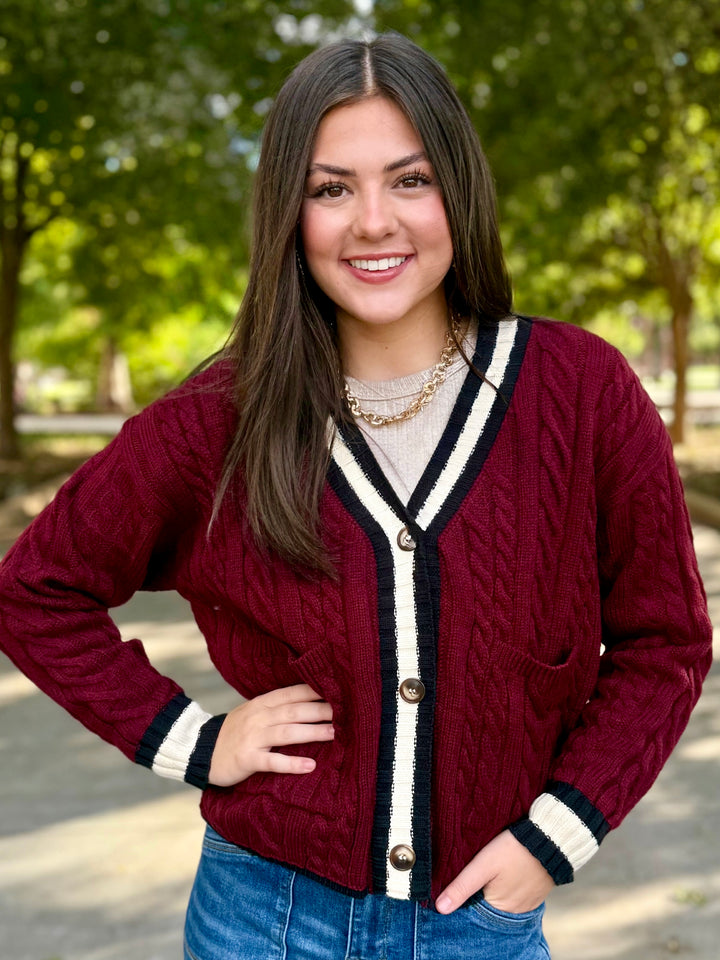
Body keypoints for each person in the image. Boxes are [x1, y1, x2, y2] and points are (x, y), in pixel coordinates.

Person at [0, 32, 712, 960]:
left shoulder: (581, 392)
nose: (373, 220)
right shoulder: (222, 416)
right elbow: (34, 589)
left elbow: (667, 642)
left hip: (483, 924)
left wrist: (557, 836)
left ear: (459, 190)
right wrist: (195, 742)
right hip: (262, 917)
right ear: (289, 215)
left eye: (409, 180)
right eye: (330, 188)